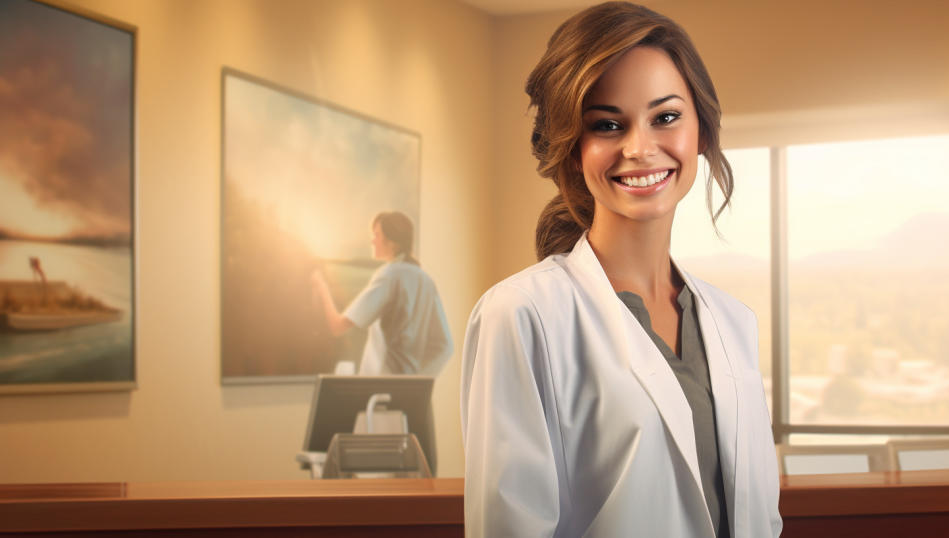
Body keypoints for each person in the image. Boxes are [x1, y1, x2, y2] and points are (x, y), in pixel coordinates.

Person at [460, 3, 782, 537]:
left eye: (667, 117)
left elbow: (759, 518)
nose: (639, 148)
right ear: (573, 149)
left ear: (700, 130)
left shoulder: (733, 322)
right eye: (607, 125)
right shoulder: (522, 316)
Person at [312, 211, 453, 376]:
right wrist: (419, 380)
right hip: (412, 394)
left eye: (377, 235)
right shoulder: (425, 280)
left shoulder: (389, 276)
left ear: (392, 242)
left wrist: (322, 287)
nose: (373, 241)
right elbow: (445, 346)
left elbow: (338, 326)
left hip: (382, 389)